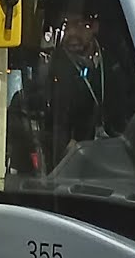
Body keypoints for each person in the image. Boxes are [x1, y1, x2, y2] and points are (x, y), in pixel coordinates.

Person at [49, 10, 130, 161]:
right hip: (72, 158)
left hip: (114, 151)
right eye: (66, 25)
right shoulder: (52, 67)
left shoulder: (113, 62)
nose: (71, 32)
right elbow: (55, 119)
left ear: (94, 27)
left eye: (79, 24)